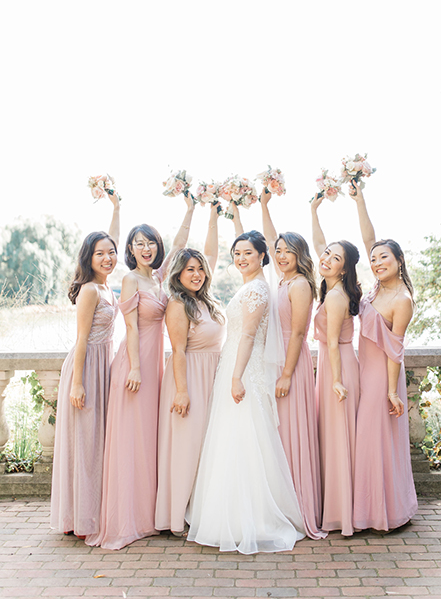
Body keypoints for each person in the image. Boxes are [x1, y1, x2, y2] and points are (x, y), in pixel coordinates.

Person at [86, 194, 195, 550]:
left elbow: (180, 243)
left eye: (150, 243)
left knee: (148, 440)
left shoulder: (159, 279)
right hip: (134, 367)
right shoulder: (131, 280)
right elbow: (131, 328)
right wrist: (134, 367)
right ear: (130, 250)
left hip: (156, 368)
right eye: (138, 244)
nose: (145, 248)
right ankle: (126, 519)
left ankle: (149, 515)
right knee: (130, 441)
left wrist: (191, 209)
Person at [186, 230, 305, 553]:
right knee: (231, 438)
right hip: (236, 366)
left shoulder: (256, 290)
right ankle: (229, 513)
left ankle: (249, 518)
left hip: (244, 370)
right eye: (236, 253)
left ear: (262, 256)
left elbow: (249, 335)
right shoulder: (252, 286)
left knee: (243, 438)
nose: (240, 258)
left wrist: (236, 377)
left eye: (248, 253)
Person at [51, 193, 120, 537]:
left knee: (97, 444)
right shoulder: (90, 291)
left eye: (111, 253)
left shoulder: (109, 287)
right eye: (99, 253)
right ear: (88, 258)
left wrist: (117, 208)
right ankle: (80, 519)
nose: (107, 258)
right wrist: (78, 383)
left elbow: (114, 239)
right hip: (85, 367)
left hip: (103, 365)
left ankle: (91, 513)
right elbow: (81, 340)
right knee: (85, 443)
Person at [349, 182, 418, 531]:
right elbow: (369, 239)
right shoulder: (377, 288)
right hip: (364, 370)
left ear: (399, 260)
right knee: (368, 440)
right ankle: (370, 508)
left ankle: (382, 513)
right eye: (374, 259)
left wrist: (392, 391)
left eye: (384, 257)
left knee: (374, 441)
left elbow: (395, 349)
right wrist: (360, 199)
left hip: (383, 377)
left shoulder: (401, 299)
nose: (376, 262)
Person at [155, 203, 225, 536]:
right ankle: (177, 514)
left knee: (208, 446)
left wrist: (213, 215)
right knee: (188, 445)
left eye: (200, 269)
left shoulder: (205, 301)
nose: (196, 274)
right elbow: (178, 350)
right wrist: (182, 391)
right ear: (178, 275)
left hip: (212, 378)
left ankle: (202, 508)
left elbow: (212, 252)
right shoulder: (178, 303)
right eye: (189, 270)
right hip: (189, 380)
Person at [260, 189, 325, 539]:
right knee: (276, 435)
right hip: (274, 361)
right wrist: (263, 205)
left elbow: (299, 333)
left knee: (291, 433)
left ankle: (299, 509)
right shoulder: (280, 279)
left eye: (288, 251)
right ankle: (280, 504)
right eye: (279, 251)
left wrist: (286, 374)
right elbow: (269, 239)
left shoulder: (299, 284)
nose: (282, 255)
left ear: (300, 255)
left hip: (291, 363)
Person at [311, 195, 361, 536]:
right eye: (326, 253)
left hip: (338, 367)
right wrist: (312, 211)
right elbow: (318, 245)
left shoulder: (337, 295)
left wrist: (336, 381)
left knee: (339, 438)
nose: (326, 258)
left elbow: (330, 343)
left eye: (335, 257)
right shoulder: (333, 286)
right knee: (334, 436)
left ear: (344, 267)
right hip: (335, 366)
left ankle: (343, 514)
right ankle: (340, 506)